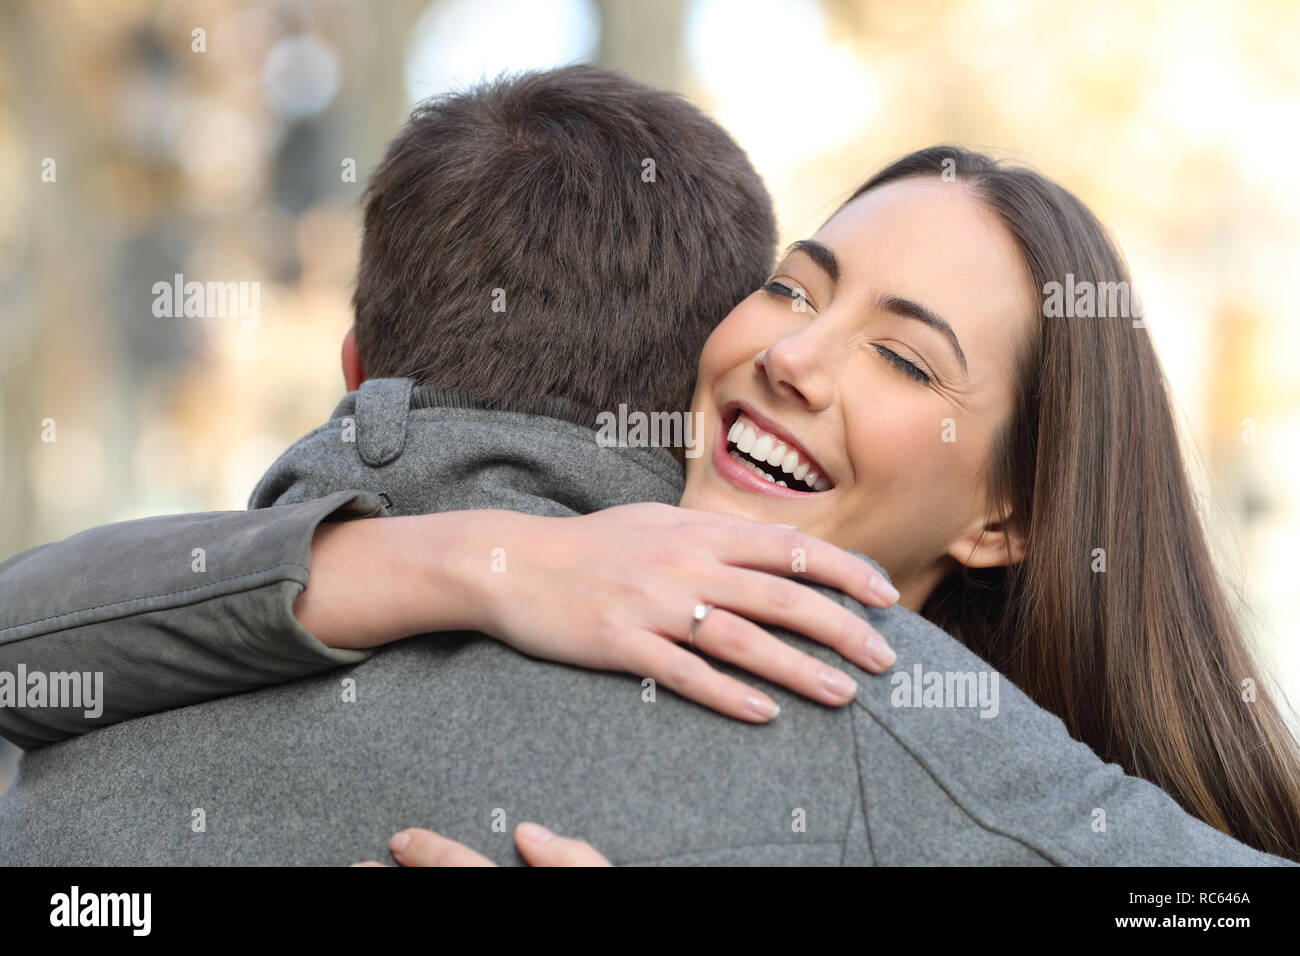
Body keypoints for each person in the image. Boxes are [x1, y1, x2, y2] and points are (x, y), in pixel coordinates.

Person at [1, 69, 1295, 863]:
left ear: (1008, 516)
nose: (799, 358)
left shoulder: (941, 745)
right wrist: (464, 562)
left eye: (907, 361)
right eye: (796, 289)